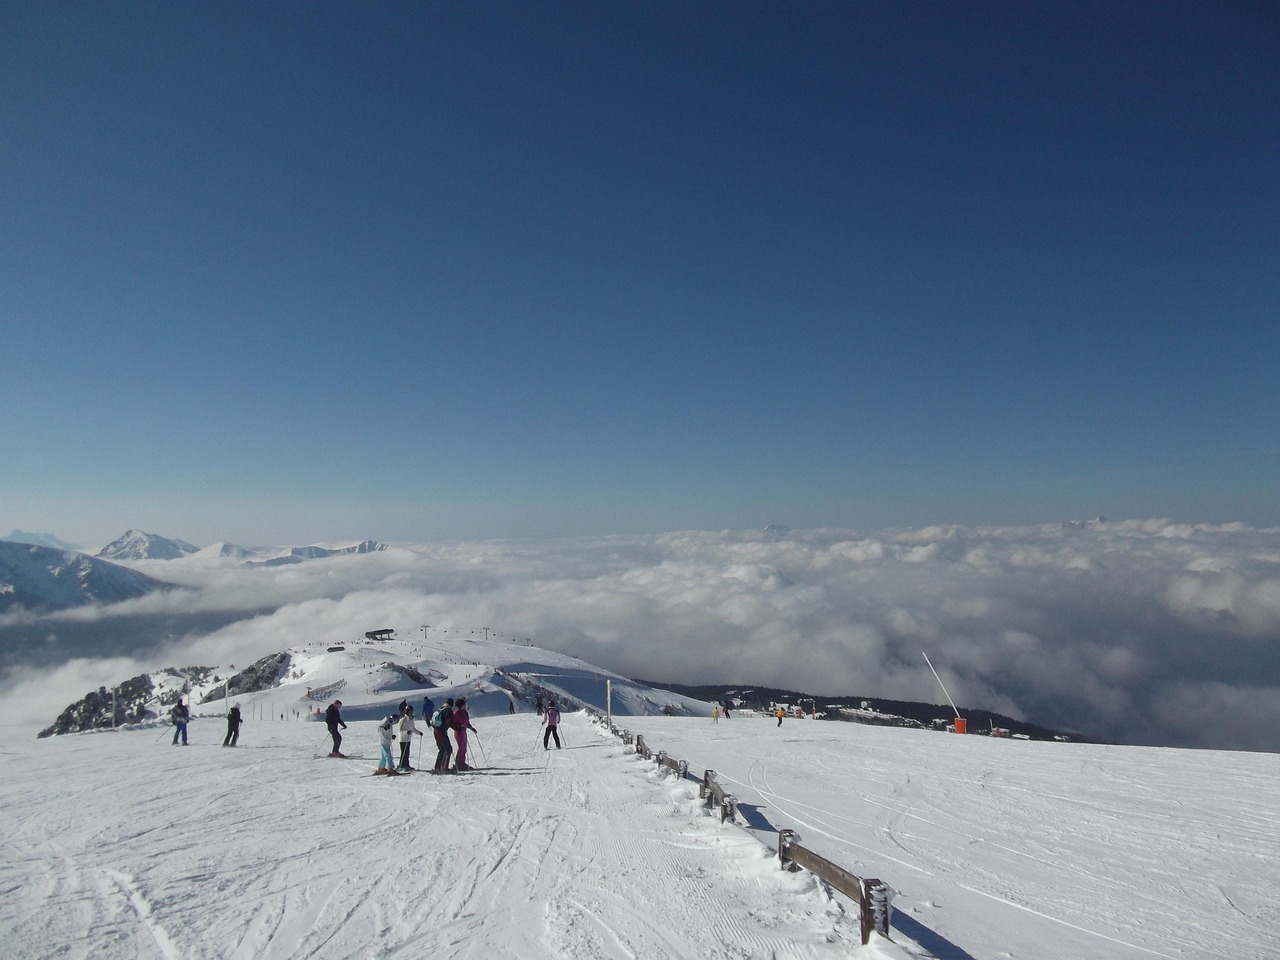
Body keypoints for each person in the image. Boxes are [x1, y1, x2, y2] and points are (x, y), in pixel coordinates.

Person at [452, 697, 477, 771]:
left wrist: (471, 728)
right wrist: (459, 726)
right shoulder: (456, 713)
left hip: (464, 731)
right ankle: (458, 763)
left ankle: (462, 762)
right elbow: (454, 723)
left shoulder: (464, 712)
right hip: (459, 732)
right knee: (461, 747)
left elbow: (466, 722)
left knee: (464, 748)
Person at [431, 698, 455, 773]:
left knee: (442, 749)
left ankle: (437, 767)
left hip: (436, 730)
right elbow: (449, 722)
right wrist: (457, 727)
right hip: (441, 731)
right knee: (448, 749)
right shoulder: (448, 710)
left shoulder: (440, 709)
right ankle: (444, 768)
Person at [397, 705, 421, 771]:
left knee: (407, 752)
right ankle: (401, 765)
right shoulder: (403, 719)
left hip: (408, 738)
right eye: (409, 712)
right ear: (406, 712)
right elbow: (400, 729)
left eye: (411, 711)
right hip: (402, 739)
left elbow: (412, 728)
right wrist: (407, 732)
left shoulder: (411, 719)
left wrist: (419, 733)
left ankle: (406, 765)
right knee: (403, 753)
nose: (411, 713)